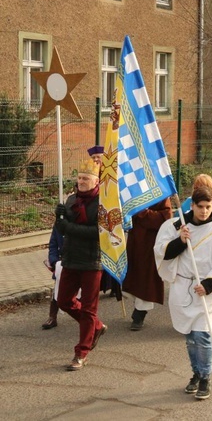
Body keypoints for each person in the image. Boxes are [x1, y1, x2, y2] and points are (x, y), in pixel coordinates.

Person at [154, 187, 212, 400]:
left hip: (206, 289)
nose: (204, 211)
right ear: (192, 205)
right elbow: (161, 252)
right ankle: (196, 373)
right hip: (183, 286)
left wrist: (209, 284)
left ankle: (205, 377)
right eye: (200, 207)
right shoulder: (176, 225)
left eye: (208, 207)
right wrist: (180, 241)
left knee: (202, 335)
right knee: (190, 336)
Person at [54, 159, 107, 371]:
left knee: (88, 309)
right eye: (79, 178)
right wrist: (59, 218)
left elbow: (98, 233)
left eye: (86, 178)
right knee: (64, 300)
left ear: (96, 181)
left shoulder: (103, 202)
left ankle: (81, 353)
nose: (81, 181)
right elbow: (63, 229)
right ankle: (97, 326)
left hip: (92, 261)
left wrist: (68, 226)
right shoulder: (71, 200)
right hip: (71, 258)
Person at [122, 199, 173, 330]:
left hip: (151, 242)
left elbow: (165, 218)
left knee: (146, 278)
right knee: (133, 275)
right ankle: (137, 306)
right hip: (134, 240)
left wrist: (141, 212)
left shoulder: (161, 194)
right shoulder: (134, 193)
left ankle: (140, 314)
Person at [42, 225, 64, 330]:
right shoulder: (58, 224)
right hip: (61, 263)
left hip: (78, 262)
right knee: (57, 289)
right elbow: (53, 245)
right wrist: (54, 261)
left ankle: (86, 317)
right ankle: (52, 317)